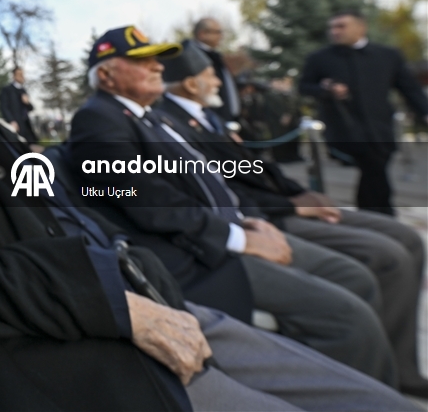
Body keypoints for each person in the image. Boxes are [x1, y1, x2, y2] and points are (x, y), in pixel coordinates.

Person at [0, 0, 414, 412]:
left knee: (362, 392)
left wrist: (279, 202)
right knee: (341, 318)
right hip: (80, 331)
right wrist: (123, 300)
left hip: (138, 282)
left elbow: (56, 211)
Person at [65, 27, 396, 385]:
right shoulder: (98, 118)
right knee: (346, 318)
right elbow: (142, 197)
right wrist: (236, 237)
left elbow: (205, 182)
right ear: (106, 74)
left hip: (231, 231)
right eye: (141, 61)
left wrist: (246, 221)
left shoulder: (148, 117)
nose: (157, 66)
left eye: (156, 59)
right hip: (200, 256)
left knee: (353, 282)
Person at [158, 41, 428, 398]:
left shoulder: (206, 118)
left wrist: (300, 193)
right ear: (192, 83)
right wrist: (288, 206)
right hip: (262, 218)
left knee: (405, 239)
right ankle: (373, 387)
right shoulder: (170, 123)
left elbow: (252, 169)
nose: (221, 82)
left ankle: (398, 368)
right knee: (380, 261)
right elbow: (219, 190)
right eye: (212, 75)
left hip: (270, 208)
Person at [299, 10, 428, 215]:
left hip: (380, 127)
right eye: (332, 27)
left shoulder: (388, 55)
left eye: (341, 26)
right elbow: (304, 87)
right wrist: (326, 89)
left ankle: (371, 214)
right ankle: (382, 214)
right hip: (343, 128)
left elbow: (410, 89)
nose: (335, 31)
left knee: (374, 169)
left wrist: (425, 112)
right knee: (373, 165)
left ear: (360, 28)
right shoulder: (320, 58)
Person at [192, 17, 241, 122]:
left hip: (226, 118)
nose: (221, 36)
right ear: (202, 34)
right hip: (212, 119)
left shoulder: (215, 56)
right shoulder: (196, 58)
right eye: (217, 32)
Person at [0, 67, 38, 142]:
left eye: (23, 74)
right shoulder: (7, 90)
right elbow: (4, 107)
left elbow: (30, 108)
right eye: (19, 74)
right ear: (14, 76)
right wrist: (11, 120)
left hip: (26, 126)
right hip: (16, 125)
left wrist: (27, 103)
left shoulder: (23, 90)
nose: (22, 76)